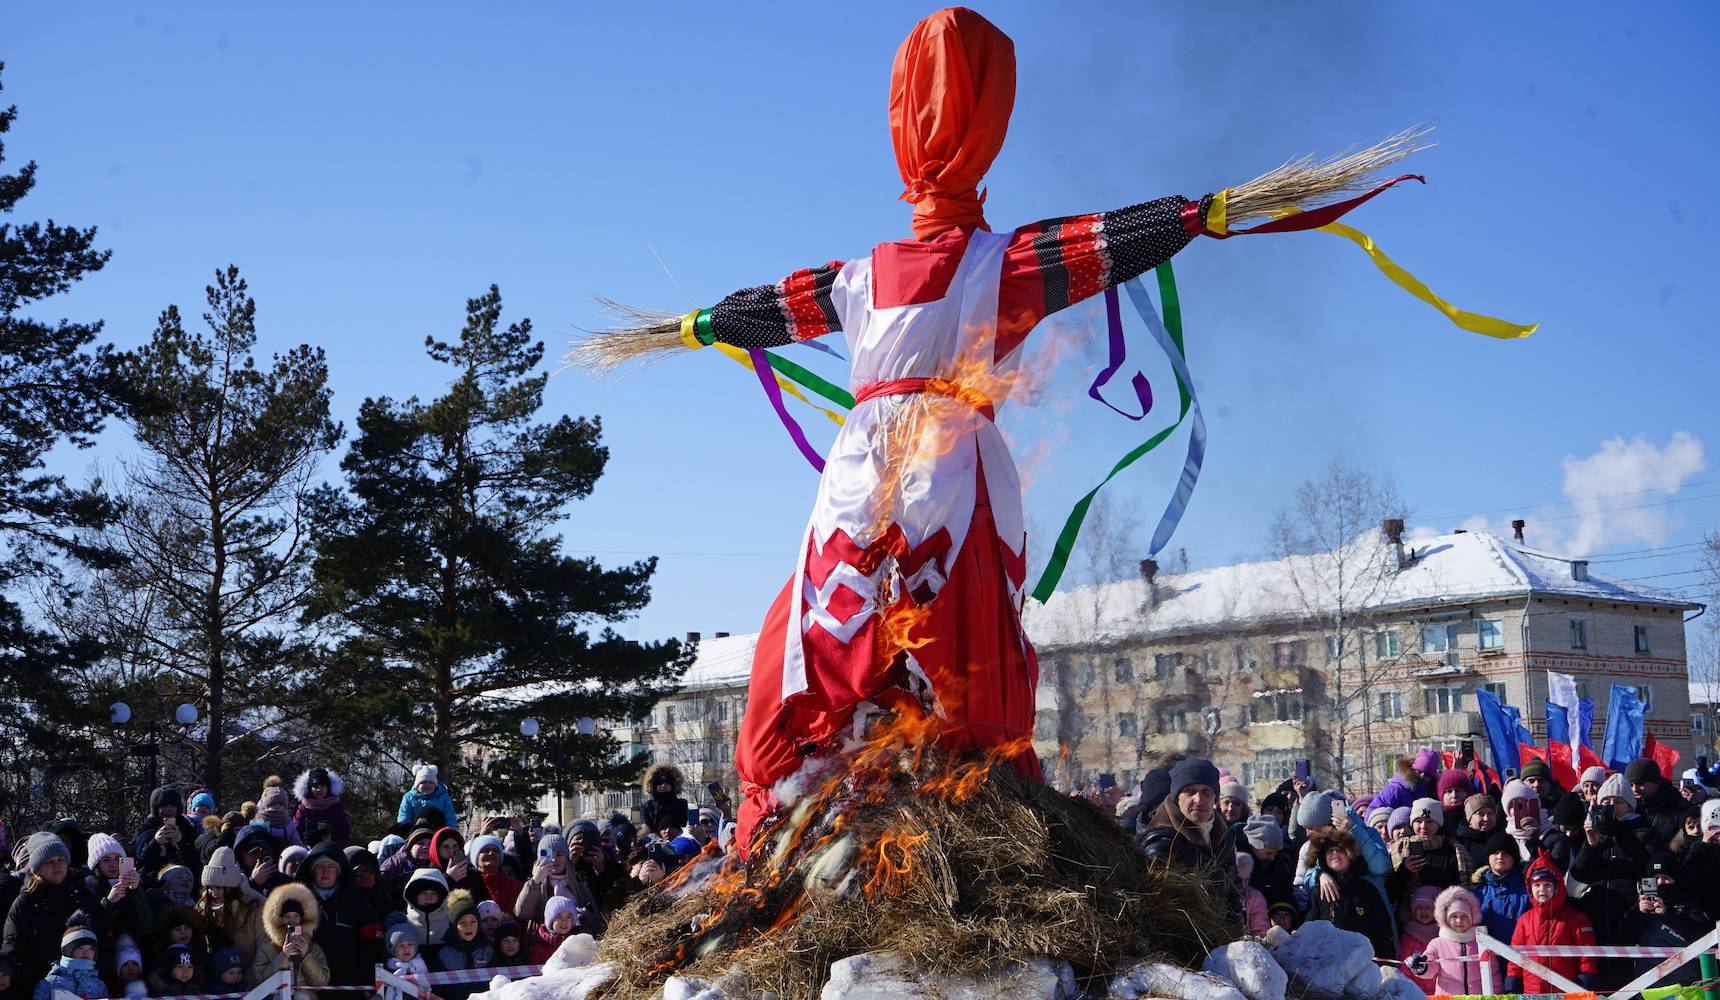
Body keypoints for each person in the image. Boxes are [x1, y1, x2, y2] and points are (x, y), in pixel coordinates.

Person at [1137, 759, 1239, 914]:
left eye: (1206, 792)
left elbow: (1233, 891)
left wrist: (1233, 925)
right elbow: (1159, 905)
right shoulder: (1162, 842)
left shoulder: (1223, 836)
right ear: (1177, 797)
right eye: (1190, 791)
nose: (1199, 799)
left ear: (1215, 797)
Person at [3, 834, 105, 984]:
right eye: (49, 861)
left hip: (86, 983)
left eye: (61, 859)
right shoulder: (25, 902)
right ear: (37, 867)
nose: (57, 865)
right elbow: (12, 947)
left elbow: (102, 935)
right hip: (39, 984)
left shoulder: (82, 895)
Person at [1571, 772, 1657, 940]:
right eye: (1606, 802)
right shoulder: (1595, 832)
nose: (1612, 806)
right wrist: (1591, 844)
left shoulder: (1644, 830)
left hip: (1631, 912)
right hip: (1597, 911)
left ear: (1630, 806)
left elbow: (1647, 866)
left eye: (1618, 802)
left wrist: (1619, 831)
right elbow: (1580, 873)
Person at [298, 841, 383, 989]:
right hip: (308, 987)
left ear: (339, 871)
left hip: (352, 987)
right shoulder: (298, 901)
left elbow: (373, 946)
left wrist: (370, 984)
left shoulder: (357, 901)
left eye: (331, 867)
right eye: (320, 867)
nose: (326, 872)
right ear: (311, 870)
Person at [1506, 856, 1598, 994]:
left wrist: (1584, 984)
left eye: (1547, 885)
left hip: (1566, 990)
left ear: (1557, 887)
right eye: (1537, 885)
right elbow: (1515, 957)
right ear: (1530, 889)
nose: (1542, 889)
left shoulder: (1576, 919)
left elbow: (1587, 956)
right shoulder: (1524, 920)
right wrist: (1512, 984)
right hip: (1532, 993)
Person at [1304, 831, 1397, 959]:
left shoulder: (1367, 890)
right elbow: (1308, 930)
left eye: (1340, 850)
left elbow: (1383, 930)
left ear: (1351, 855)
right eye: (1330, 851)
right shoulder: (1318, 893)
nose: (1335, 853)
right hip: (1327, 962)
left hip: (1363, 962)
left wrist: (1387, 963)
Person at [1409, 886, 1498, 996]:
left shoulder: (1481, 942)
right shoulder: (1438, 943)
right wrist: (1421, 966)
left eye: (1464, 916)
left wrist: (1497, 996)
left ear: (1472, 918)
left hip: (1477, 997)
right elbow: (1430, 966)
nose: (1459, 921)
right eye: (1454, 916)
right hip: (1447, 997)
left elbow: (1494, 975)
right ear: (1445, 918)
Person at [250, 884, 329, 1000]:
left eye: (296, 916)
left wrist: (306, 956)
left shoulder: (313, 948)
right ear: (279, 920)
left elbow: (321, 983)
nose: (292, 921)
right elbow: (258, 981)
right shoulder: (266, 949)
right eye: (287, 916)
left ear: (302, 919)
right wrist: (284, 956)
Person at [514, 834, 604, 935]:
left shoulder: (578, 882)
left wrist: (581, 916)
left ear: (567, 857)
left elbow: (596, 920)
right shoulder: (534, 885)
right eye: (547, 854)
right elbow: (522, 913)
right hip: (543, 944)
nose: (554, 859)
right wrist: (535, 881)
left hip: (574, 944)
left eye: (559, 854)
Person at [1387, 798, 1462, 897]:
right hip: (1409, 909)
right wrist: (1405, 869)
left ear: (1439, 824)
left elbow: (1457, 884)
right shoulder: (1400, 849)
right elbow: (1390, 891)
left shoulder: (1452, 849)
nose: (1423, 826)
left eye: (1429, 821)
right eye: (1418, 821)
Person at [198, 846, 265, 957]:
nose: (213, 893)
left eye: (219, 888)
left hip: (248, 972)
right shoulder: (202, 909)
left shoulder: (252, 910)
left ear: (231, 887)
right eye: (210, 888)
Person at [1472, 831, 1530, 942]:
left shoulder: (1526, 890)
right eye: (1495, 852)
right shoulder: (1476, 893)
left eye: (1505, 853)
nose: (1500, 857)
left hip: (1519, 953)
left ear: (1514, 858)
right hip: (1487, 955)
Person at [433, 891, 492, 1000]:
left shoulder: (488, 951)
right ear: (454, 926)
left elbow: (497, 983)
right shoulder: (444, 955)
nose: (468, 927)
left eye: (473, 921)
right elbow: (438, 989)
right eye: (462, 923)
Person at [30, 916, 105, 1000]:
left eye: (91, 948)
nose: (86, 952)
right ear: (68, 951)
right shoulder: (50, 982)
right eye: (80, 948)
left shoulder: (99, 985)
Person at [1627, 758, 1688, 847]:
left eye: (1640, 783)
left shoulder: (1680, 808)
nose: (1634, 789)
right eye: (1630, 785)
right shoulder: (1627, 809)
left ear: (1656, 782)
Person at [1396, 885, 1440, 995]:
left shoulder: (1443, 935)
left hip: (1441, 991)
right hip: (1416, 992)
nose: (1424, 911)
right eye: (1419, 907)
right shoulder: (1409, 936)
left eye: (1428, 907)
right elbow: (1404, 966)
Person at [293, 768, 352, 848]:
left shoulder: (335, 807)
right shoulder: (303, 808)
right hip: (307, 850)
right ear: (310, 788)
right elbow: (296, 830)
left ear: (328, 787)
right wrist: (304, 843)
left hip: (332, 850)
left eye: (322, 786)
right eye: (315, 786)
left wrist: (336, 846)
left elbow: (344, 832)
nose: (319, 789)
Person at [466, 835, 521, 918]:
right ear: (475, 857)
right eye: (485, 850)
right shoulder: (467, 885)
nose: (491, 853)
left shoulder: (516, 887)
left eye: (495, 850)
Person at [403, 869, 451, 962]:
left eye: (434, 893)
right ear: (414, 895)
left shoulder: (451, 921)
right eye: (423, 893)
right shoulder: (404, 923)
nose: (429, 897)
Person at [1373, 749, 1443, 811]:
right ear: (1412, 769)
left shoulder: (1433, 793)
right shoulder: (1396, 789)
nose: (1422, 776)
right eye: (1419, 771)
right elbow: (1375, 812)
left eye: (1427, 774)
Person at [639, 764, 690, 840]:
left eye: (667, 783)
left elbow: (685, 824)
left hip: (679, 841)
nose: (663, 786)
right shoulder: (648, 806)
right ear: (653, 785)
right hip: (654, 843)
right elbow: (646, 827)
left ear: (673, 785)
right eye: (659, 783)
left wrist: (676, 832)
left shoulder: (681, 804)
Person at [380, 925, 428, 1000]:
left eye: (410, 944)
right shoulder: (386, 969)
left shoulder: (421, 965)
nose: (406, 948)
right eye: (401, 945)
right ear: (393, 951)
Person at [256, 778, 304, 850]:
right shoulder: (259, 823)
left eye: (281, 804)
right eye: (273, 804)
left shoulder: (288, 824)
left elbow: (297, 844)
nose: (277, 807)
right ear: (265, 806)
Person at [528, 897, 578, 963]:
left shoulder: (577, 941)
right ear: (551, 921)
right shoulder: (539, 946)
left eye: (568, 917)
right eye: (559, 917)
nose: (564, 921)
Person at [1234, 852, 1268, 936]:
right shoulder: (1220, 893)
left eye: (1246, 879)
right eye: (1238, 879)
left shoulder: (1255, 897)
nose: (1242, 884)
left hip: (1246, 944)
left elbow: (1260, 929)